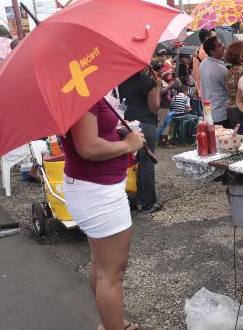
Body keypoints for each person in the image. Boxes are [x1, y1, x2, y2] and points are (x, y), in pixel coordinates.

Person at [60, 97, 145, 330]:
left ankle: (112, 323)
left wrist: (117, 133)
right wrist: (128, 145)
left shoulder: (82, 88)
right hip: (97, 191)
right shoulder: (79, 91)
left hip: (96, 188)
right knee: (112, 272)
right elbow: (88, 147)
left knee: (101, 264)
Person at [118, 67, 162, 214]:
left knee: (137, 163)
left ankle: (139, 200)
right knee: (147, 163)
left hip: (128, 125)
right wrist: (157, 86)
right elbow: (154, 107)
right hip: (145, 123)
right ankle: (149, 203)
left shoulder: (120, 80)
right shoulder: (147, 81)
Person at [199, 36, 229, 127]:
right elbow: (230, 89)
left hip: (208, 112)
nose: (223, 47)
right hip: (220, 114)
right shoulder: (221, 70)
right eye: (219, 46)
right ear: (212, 51)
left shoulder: (203, 63)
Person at [224, 41, 243, 140]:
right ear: (239, 55)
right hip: (241, 108)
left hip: (230, 107)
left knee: (238, 138)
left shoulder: (229, 71)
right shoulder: (242, 70)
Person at [192, 29, 213, 98]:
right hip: (207, 90)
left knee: (206, 108)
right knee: (208, 108)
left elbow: (195, 73)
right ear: (207, 38)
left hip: (201, 89)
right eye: (212, 37)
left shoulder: (197, 51)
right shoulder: (205, 52)